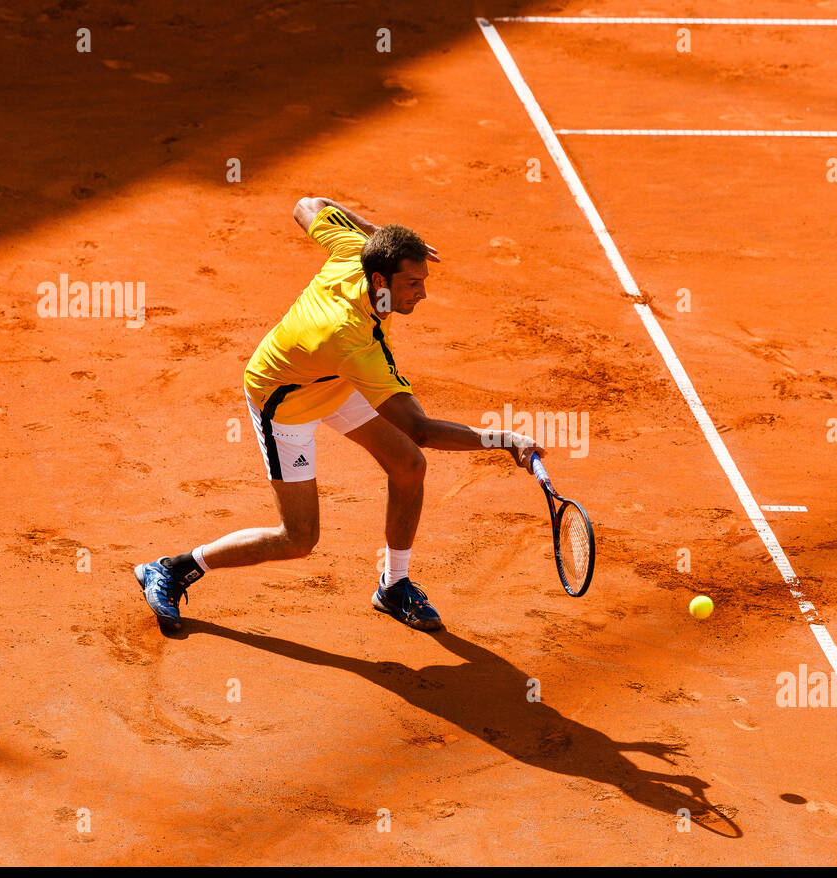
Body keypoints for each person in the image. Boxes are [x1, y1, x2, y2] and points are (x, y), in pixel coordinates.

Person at [134, 195, 543, 634]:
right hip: (285, 402)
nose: (422, 293)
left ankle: (394, 585)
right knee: (298, 539)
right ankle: (172, 569)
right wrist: (505, 440)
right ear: (381, 279)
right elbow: (420, 428)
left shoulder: (354, 252)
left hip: (332, 380)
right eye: (412, 283)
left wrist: (377, 236)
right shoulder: (351, 339)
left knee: (407, 465)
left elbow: (308, 204)